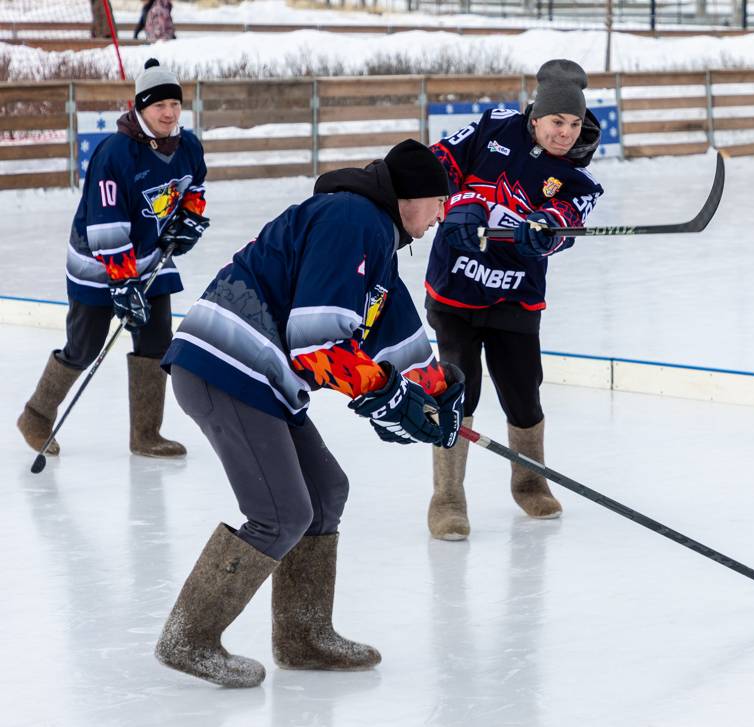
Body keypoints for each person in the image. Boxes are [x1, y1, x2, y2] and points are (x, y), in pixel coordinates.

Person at [153, 140, 465, 688]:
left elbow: (398, 341)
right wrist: (390, 396)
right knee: (282, 512)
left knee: (325, 494)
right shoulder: (354, 219)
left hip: (258, 379)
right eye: (440, 201)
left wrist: (435, 390)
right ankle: (189, 636)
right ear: (411, 197)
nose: (442, 215)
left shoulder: (377, 242)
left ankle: (303, 635)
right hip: (224, 367)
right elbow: (317, 346)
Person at [424, 58, 604, 541]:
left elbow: (569, 218)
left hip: (514, 301)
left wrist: (546, 233)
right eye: (556, 122)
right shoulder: (492, 128)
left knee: (524, 393)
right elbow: (439, 162)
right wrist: (456, 206)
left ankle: (530, 482)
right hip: (456, 293)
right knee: (459, 390)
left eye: (573, 124)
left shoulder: (576, 175)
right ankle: (447, 498)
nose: (565, 133)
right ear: (535, 116)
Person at [17, 58, 209, 458]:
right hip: (98, 262)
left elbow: (194, 186)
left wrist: (188, 219)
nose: (169, 113)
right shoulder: (116, 154)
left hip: (149, 256)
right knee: (84, 346)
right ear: (140, 107)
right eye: (159, 106)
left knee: (157, 340)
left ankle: (145, 434)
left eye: (174, 104)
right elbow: (106, 224)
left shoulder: (186, 144)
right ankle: (36, 414)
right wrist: (122, 283)